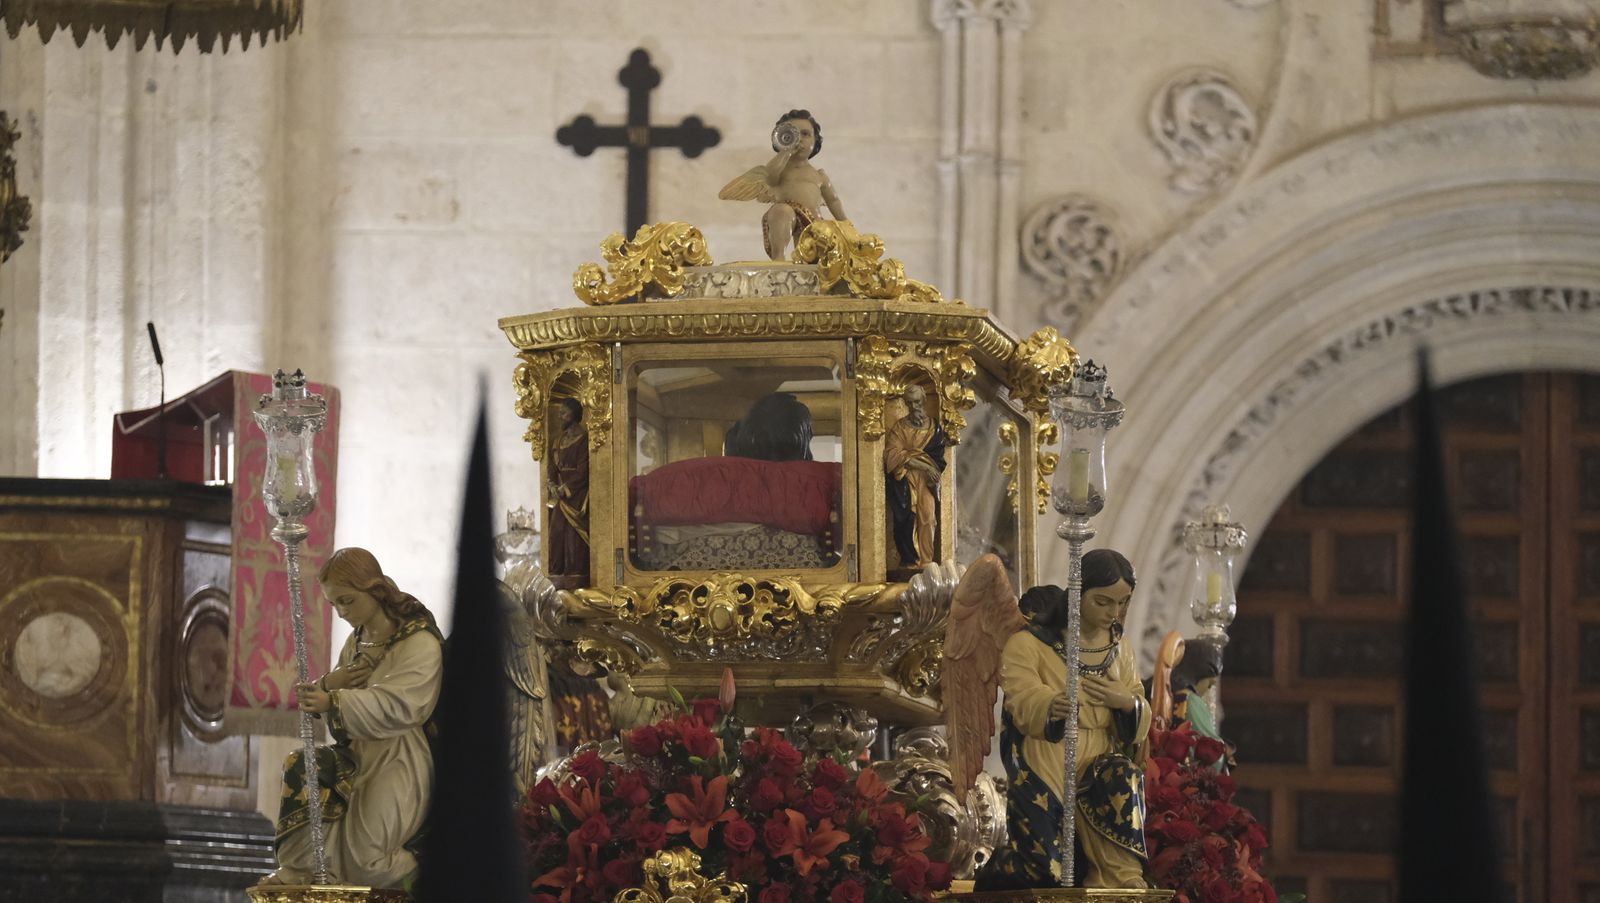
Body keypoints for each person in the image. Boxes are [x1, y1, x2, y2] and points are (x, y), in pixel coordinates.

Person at [262, 548, 443, 888]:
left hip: (399, 757)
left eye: (347, 601)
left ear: (374, 590)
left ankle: (436, 878)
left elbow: (402, 707)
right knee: (301, 767)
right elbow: (337, 693)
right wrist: (328, 687)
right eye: (334, 605)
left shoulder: (419, 643)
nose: (342, 612)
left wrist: (333, 700)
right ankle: (302, 871)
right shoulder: (357, 642)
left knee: (368, 861)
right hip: (357, 754)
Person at [978, 549, 1151, 890]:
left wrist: (1126, 702)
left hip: (1099, 756)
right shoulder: (1030, 644)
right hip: (1050, 757)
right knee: (1047, 873)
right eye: (1103, 602)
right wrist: (1049, 704)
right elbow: (1020, 693)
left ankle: (1118, 877)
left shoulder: (1120, 647)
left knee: (1124, 777)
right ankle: (998, 872)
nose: (1114, 613)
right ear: (1077, 592)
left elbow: (1138, 702)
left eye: (1123, 603)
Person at [718, 109, 847, 260]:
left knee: (816, 250)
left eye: (805, 134)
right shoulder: (780, 169)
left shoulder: (819, 175)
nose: (800, 140)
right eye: (793, 135)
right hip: (787, 214)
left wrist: (845, 223)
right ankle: (778, 259)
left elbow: (833, 200)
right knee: (781, 212)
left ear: (815, 140)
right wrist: (786, 152)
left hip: (814, 222)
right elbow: (769, 176)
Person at [885, 384, 947, 568]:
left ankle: (927, 561)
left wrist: (927, 468)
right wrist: (921, 465)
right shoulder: (900, 428)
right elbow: (891, 455)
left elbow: (938, 458)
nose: (914, 407)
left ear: (925, 401)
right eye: (910, 403)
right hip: (905, 480)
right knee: (907, 519)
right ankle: (911, 560)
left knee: (928, 518)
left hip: (927, 483)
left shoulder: (934, 429)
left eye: (918, 402)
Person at [546, 397, 590, 580]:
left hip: (577, 498)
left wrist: (566, 488)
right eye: (559, 414)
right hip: (559, 498)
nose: (560, 417)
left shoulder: (585, 440)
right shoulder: (558, 441)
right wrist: (552, 484)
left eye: (564, 413)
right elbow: (551, 468)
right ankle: (556, 578)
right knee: (556, 536)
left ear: (574, 414)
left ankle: (575, 578)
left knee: (574, 540)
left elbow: (583, 471)